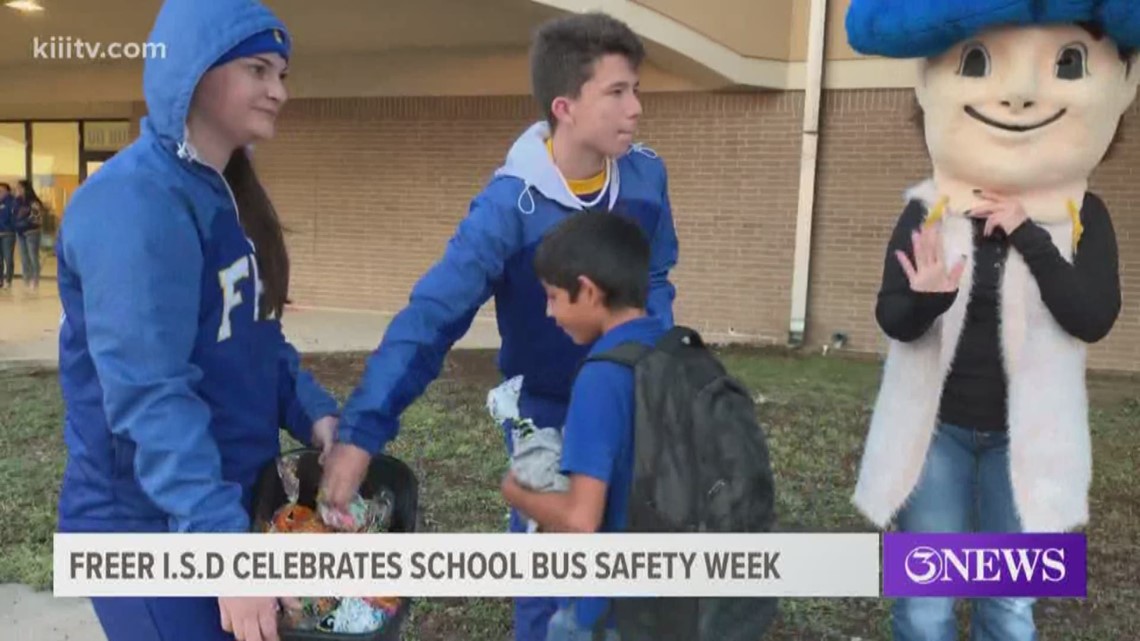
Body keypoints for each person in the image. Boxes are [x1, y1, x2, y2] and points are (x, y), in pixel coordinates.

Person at [320, 12, 679, 641]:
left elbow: (655, 278)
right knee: (553, 587)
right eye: (618, 92)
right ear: (565, 106)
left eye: (638, 89)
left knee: (634, 576)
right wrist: (359, 436)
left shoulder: (647, 178)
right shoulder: (506, 209)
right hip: (544, 413)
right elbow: (431, 318)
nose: (636, 107)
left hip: (633, 405)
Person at [845, 1, 1134, 639]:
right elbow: (894, 318)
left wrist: (1029, 234)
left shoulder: (1085, 216)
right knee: (926, 604)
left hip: (1025, 441)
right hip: (938, 436)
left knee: (1009, 606)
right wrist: (926, 296)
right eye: (976, 63)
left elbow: (1091, 317)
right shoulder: (928, 208)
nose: (1021, 97)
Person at [54, 1, 340, 640]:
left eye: (284, 73)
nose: (279, 91)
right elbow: (150, 396)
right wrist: (227, 558)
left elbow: (256, 338)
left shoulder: (224, 191)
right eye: (259, 69)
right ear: (193, 70)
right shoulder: (135, 202)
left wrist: (317, 414)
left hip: (226, 506)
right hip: (144, 530)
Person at [502, 211, 664, 641]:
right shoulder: (673, 350)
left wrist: (517, 493)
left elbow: (580, 521)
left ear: (589, 291)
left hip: (605, 615)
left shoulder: (602, 376)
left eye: (553, 296)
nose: (549, 312)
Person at [13, 179, 44, 290]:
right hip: (20, 232)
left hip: (32, 232)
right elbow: (14, 215)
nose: (17, 190)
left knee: (33, 256)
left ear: (25, 189)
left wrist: (22, 221)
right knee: (24, 257)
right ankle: (27, 279)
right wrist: (17, 223)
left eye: (19, 188)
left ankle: (35, 280)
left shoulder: (33, 202)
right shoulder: (16, 201)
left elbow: (36, 218)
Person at [0, 182, 14, 289]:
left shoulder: (11, 202)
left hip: (8, 233)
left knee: (8, 257)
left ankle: (8, 279)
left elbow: (12, 216)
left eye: (2, 190)